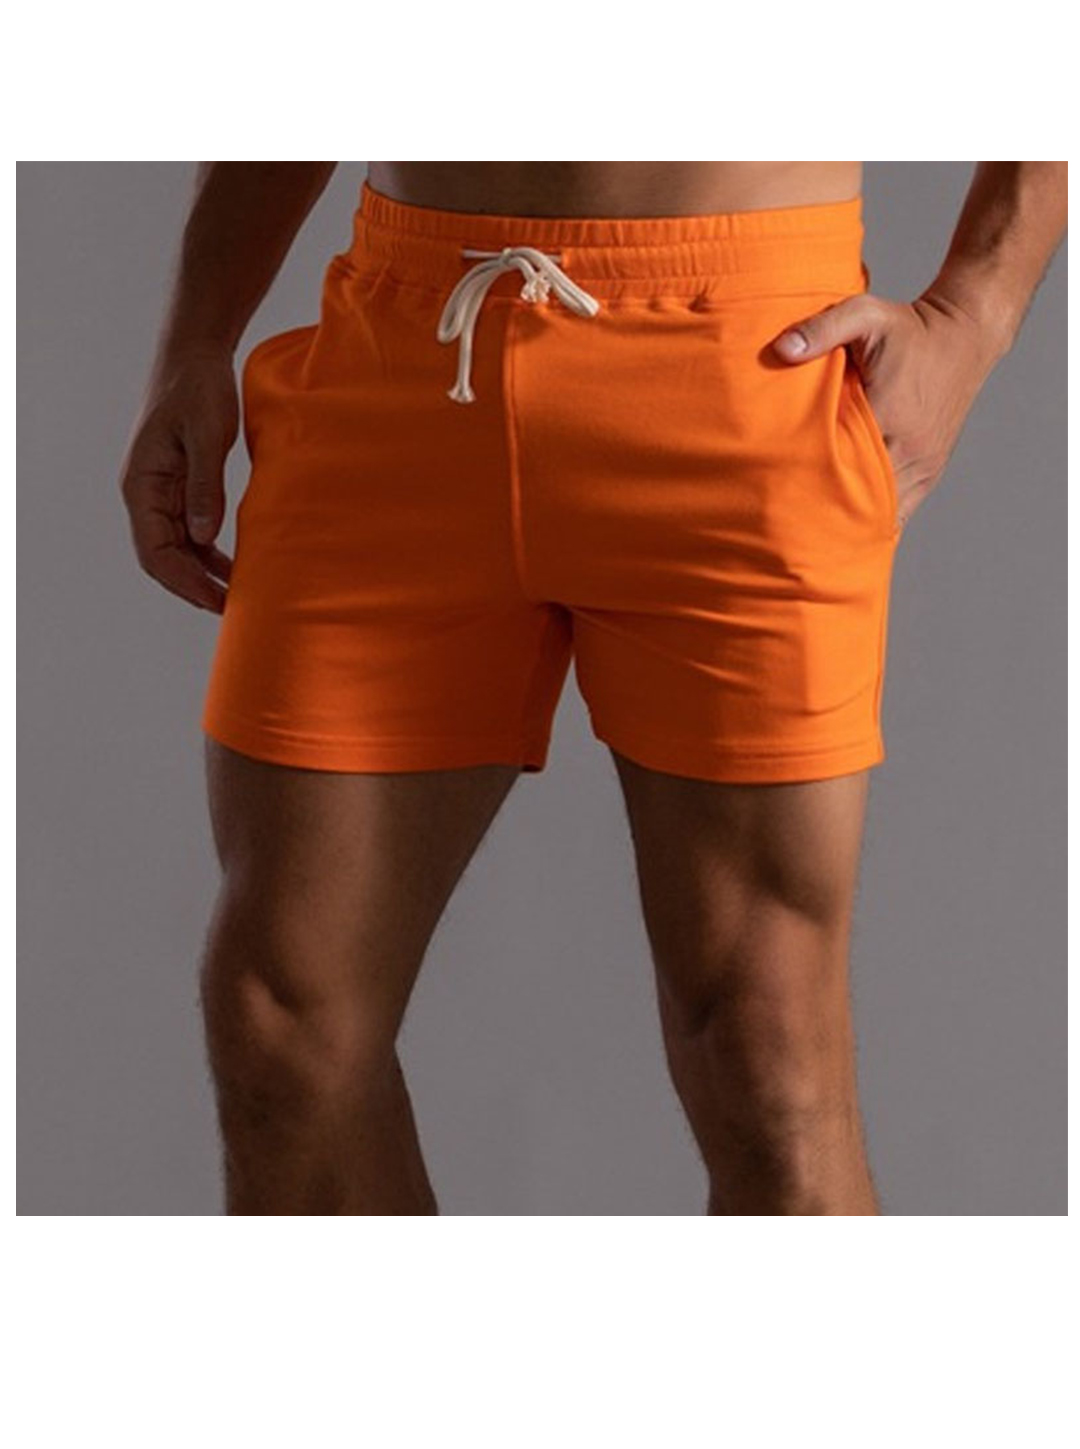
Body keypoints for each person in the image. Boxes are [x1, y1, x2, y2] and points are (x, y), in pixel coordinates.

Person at [119, 162, 1067, 1215]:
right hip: (407, 344)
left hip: (744, 359)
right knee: (282, 1022)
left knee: (769, 1061)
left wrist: (972, 312)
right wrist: (196, 339)